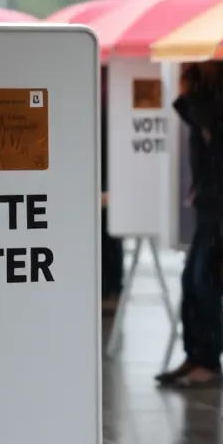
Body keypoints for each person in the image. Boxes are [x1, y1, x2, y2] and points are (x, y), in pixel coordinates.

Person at [156, 61, 223, 388]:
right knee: (191, 279)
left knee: (204, 279)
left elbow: (203, 118)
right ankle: (195, 354)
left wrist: (187, 90)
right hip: (208, 199)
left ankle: (210, 361)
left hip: (222, 201)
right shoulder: (206, 90)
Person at [100, 66, 124, 314]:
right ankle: (111, 288)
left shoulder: (105, 101)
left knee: (108, 236)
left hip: (106, 180)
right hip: (106, 178)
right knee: (108, 236)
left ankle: (112, 289)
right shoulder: (108, 97)